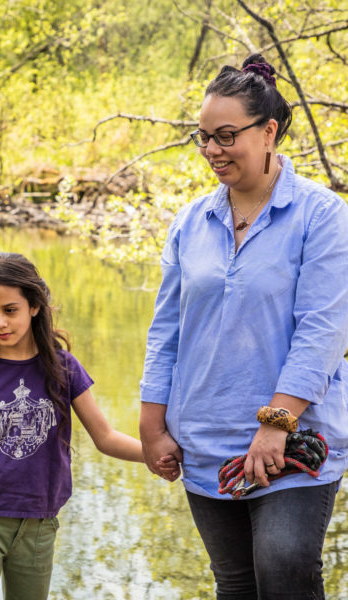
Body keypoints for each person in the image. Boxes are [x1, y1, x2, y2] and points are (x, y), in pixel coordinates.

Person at [139, 53, 348, 599]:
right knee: (234, 584)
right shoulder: (191, 222)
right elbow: (167, 333)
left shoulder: (321, 216)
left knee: (282, 570)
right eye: (203, 136)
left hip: (297, 438)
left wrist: (276, 422)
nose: (212, 150)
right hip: (205, 439)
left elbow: (322, 331)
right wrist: (152, 421)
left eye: (226, 135)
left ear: (269, 130)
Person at [0, 252, 143, 600]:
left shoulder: (64, 368)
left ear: (34, 306)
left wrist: (165, 454)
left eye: (9, 310)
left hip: (39, 526)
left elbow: (105, 438)